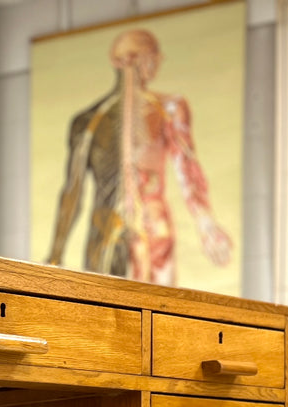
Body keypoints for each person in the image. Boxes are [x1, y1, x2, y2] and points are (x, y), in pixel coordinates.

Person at [45, 28, 232, 286]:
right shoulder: (96, 121)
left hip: (130, 231)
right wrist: (54, 259)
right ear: (143, 61)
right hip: (116, 234)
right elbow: (73, 192)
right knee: (111, 318)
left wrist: (56, 257)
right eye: (154, 58)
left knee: (154, 316)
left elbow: (72, 192)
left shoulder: (92, 121)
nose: (155, 66)